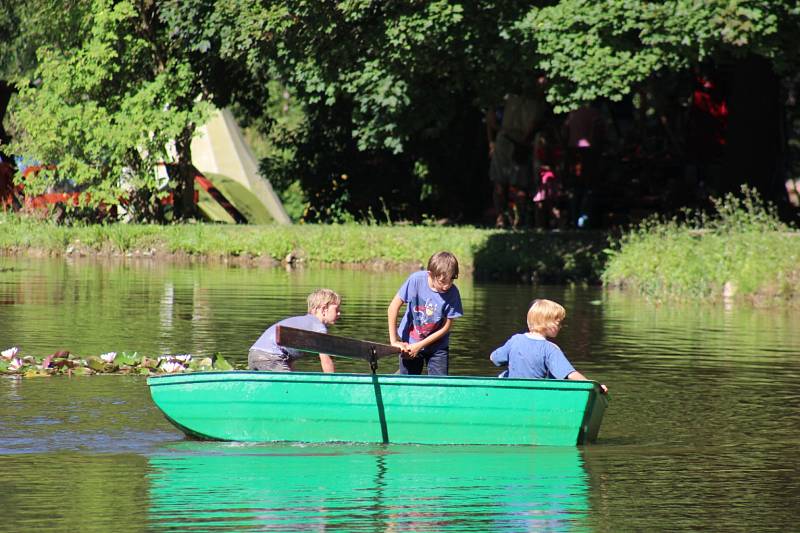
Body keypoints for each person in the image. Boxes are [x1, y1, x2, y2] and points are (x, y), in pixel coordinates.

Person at [489, 299, 608, 392]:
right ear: (546, 323)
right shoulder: (550, 349)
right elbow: (570, 374)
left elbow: (494, 358)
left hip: (512, 392)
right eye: (559, 323)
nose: (561, 326)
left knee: (504, 376)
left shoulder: (515, 340)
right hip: (537, 395)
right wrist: (595, 386)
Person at [388, 251, 463, 375]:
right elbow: (392, 308)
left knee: (439, 386)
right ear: (430, 274)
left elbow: (447, 326)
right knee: (407, 382)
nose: (446, 286)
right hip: (409, 343)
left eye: (451, 281)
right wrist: (394, 341)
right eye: (442, 282)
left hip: (438, 347)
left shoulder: (453, 293)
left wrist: (420, 345)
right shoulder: (416, 281)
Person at [248, 288, 341, 372]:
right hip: (270, 356)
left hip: (254, 354)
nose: (339, 313)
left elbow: (289, 357)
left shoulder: (302, 322)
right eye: (336, 310)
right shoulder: (318, 326)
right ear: (323, 309)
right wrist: (334, 384)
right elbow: (325, 360)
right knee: (289, 388)